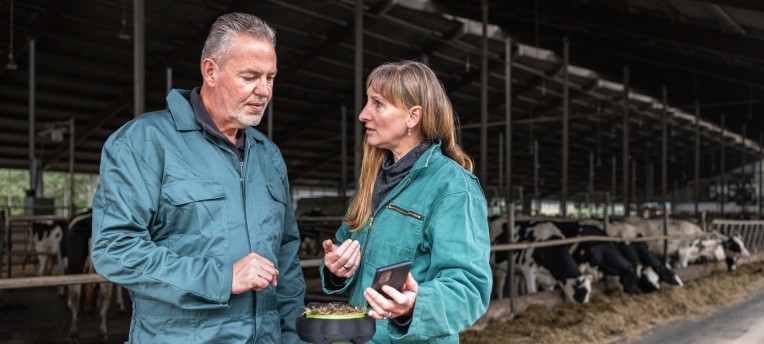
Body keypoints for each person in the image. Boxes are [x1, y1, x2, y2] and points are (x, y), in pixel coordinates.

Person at [91, 13, 305, 344]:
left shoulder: (269, 155)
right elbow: (114, 248)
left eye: (271, 78)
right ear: (211, 71)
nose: (264, 91)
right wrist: (220, 279)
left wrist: (293, 337)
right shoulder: (145, 142)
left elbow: (287, 255)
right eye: (250, 77)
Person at [320, 61, 492, 343]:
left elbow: (469, 288)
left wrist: (414, 306)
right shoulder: (373, 180)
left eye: (377, 104)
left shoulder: (453, 188)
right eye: (367, 102)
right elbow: (345, 246)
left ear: (413, 117)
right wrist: (337, 269)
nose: (363, 114)